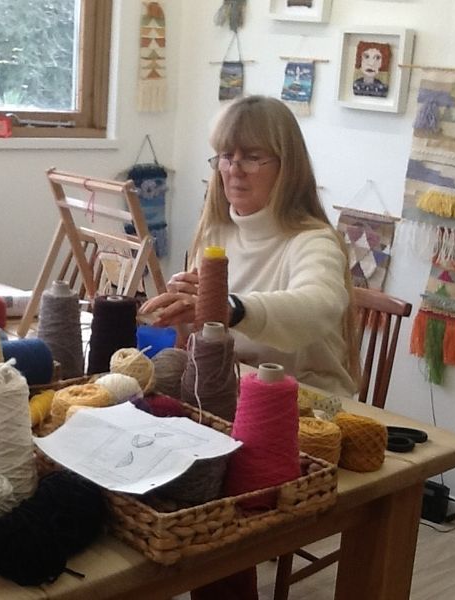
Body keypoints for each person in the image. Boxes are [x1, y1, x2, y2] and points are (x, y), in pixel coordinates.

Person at [139, 94, 360, 600]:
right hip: (230, 397)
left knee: (204, 497)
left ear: (288, 166)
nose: (233, 170)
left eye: (252, 156)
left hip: (311, 406)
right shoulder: (217, 228)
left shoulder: (313, 242)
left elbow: (320, 304)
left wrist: (231, 308)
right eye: (225, 155)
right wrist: (187, 315)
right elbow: (206, 334)